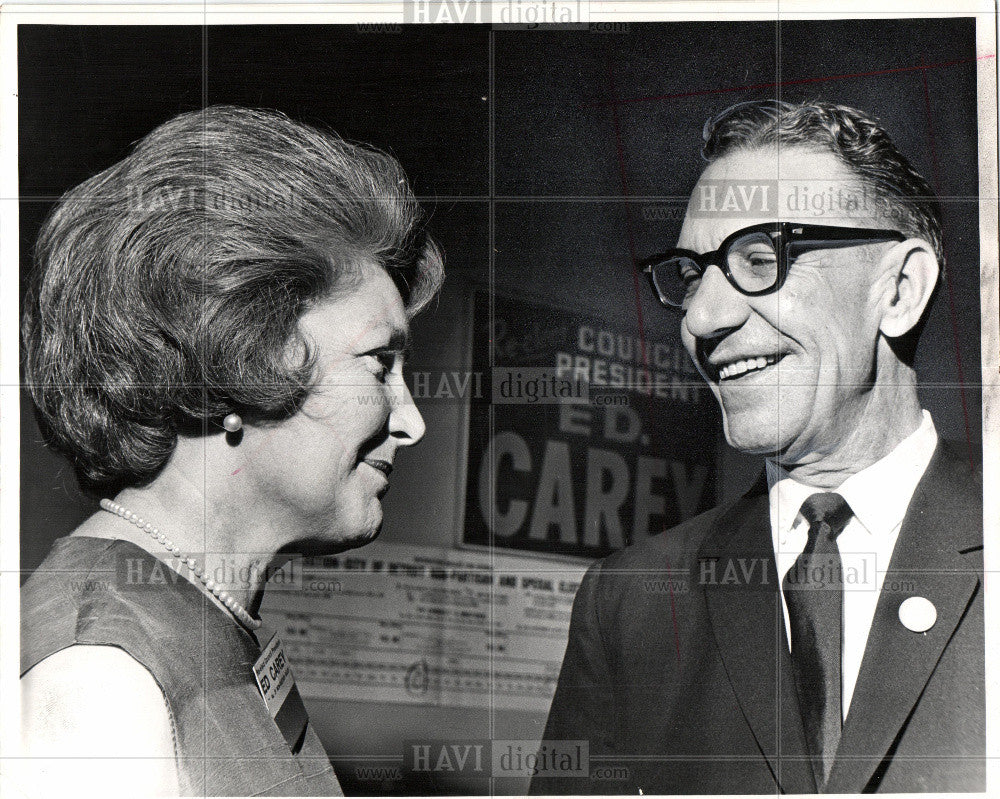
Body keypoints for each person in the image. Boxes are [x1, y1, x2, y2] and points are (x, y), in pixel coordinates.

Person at [532, 100, 983, 794]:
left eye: (761, 257)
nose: (703, 319)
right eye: (691, 275)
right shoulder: (631, 601)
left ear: (899, 288)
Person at [18, 105, 443, 796]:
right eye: (377, 363)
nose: (412, 422)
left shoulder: (203, 614)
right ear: (237, 364)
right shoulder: (97, 678)